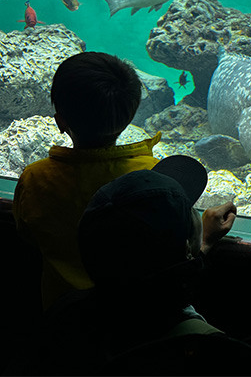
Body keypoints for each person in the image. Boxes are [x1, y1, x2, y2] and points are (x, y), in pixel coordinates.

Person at [15, 155, 243, 375]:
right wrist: (197, 249)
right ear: (185, 247)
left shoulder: (66, 316)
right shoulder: (212, 352)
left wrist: (198, 246)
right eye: (190, 212)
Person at [12, 51, 161, 310]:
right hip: (134, 317)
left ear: (60, 122)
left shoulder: (36, 177)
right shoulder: (152, 176)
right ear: (128, 120)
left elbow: (27, 234)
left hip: (62, 318)